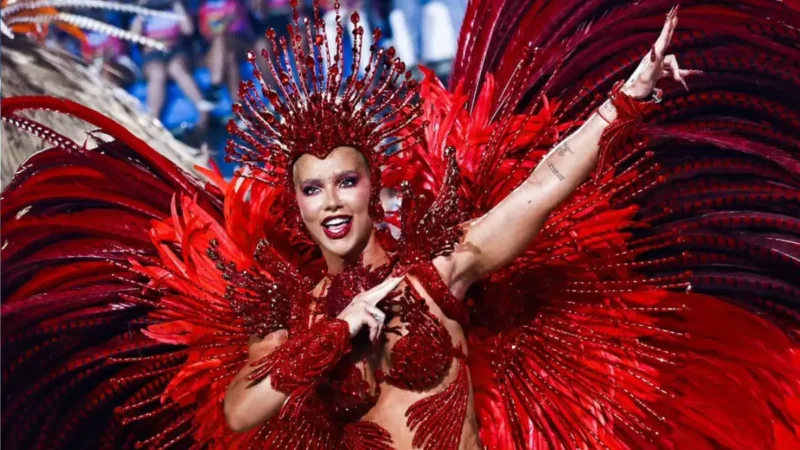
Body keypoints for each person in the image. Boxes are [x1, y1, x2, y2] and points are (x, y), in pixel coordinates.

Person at [2, 1, 799, 450]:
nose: (332, 202)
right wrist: (335, 331)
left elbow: (546, 185)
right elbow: (239, 411)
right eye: (312, 191)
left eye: (346, 180)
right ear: (298, 205)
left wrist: (626, 100)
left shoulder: (440, 268)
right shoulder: (292, 315)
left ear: (373, 183)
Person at [130, 0, 215, 124]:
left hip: (176, 50)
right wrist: (142, 11)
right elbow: (133, 37)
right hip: (153, 55)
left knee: (177, 68)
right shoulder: (142, 14)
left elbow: (188, 30)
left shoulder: (175, 9)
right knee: (157, 74)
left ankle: (203, 110)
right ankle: (153, 118)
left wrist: (177, 4)